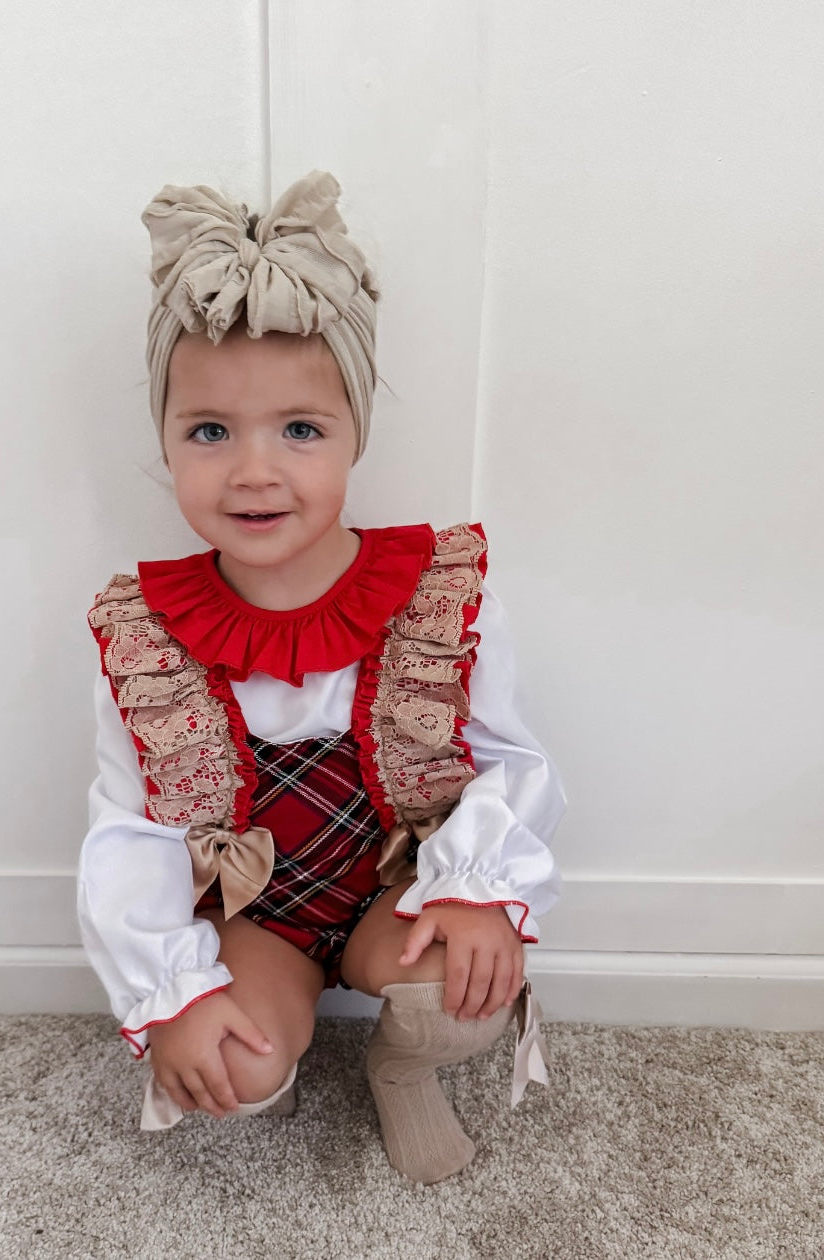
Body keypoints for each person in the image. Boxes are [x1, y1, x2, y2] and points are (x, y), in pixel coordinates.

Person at [77, 170, 565, 1185]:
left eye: (299, 429)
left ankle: (402, 1068)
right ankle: (278, 1028)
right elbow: (129, 827)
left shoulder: (441, 597)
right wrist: (169, 991)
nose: (254, 471)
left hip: (400, 889)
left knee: (457, 985)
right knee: (233, 1067)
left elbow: (509, 757)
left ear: (355, 432)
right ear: (166, 442)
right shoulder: (146, 631)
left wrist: (478, 890)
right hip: (264, 918)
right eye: (209, 432)